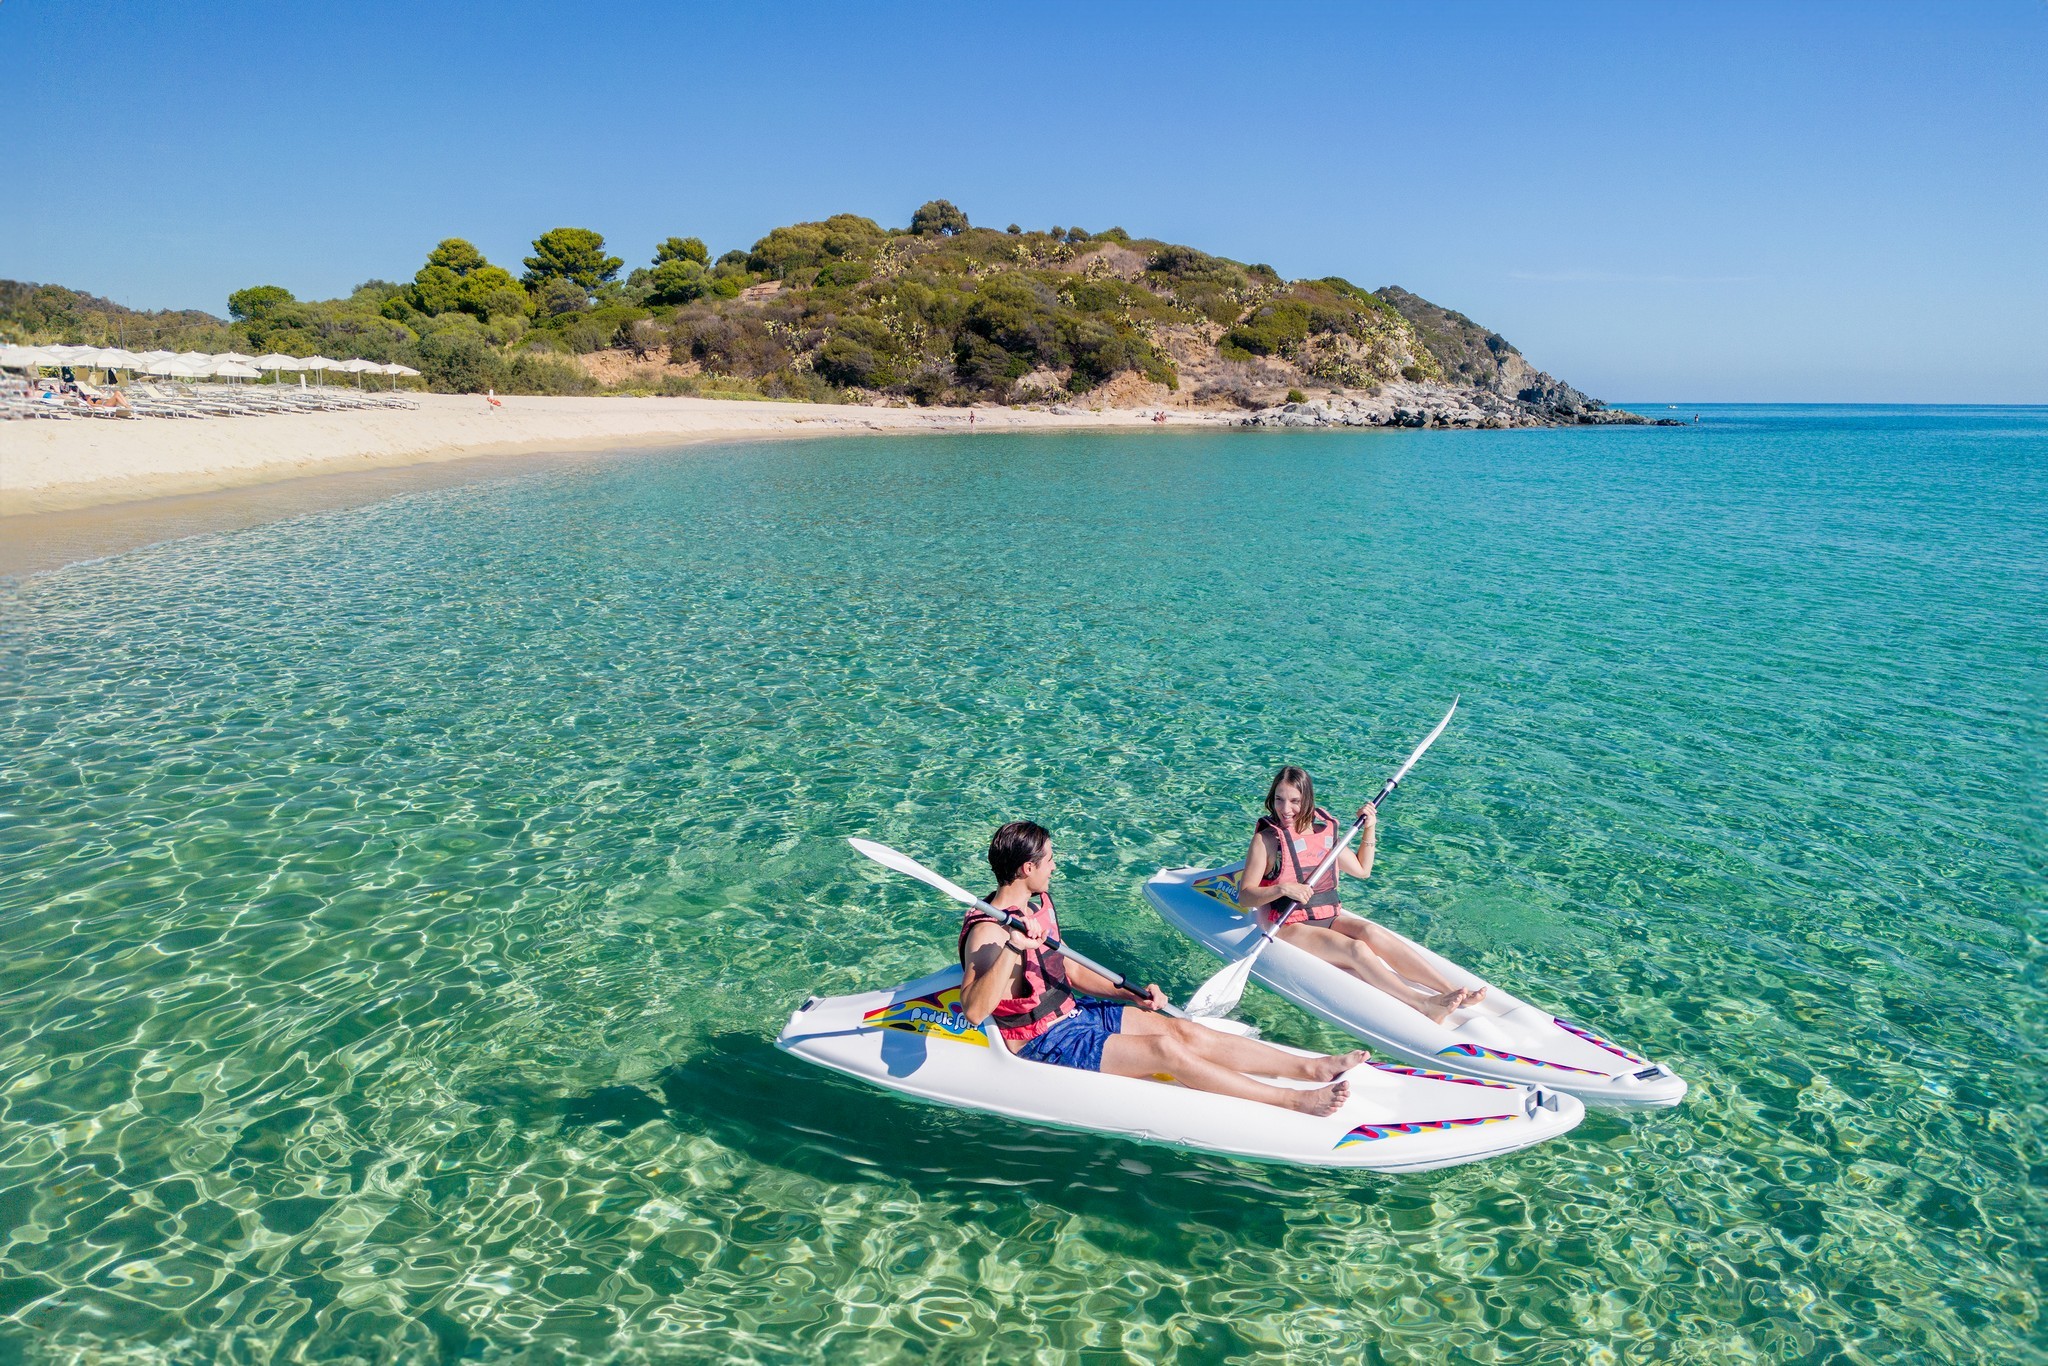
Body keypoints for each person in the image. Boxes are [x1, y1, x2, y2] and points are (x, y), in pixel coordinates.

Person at [959, 820, 1365, 1115]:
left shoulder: (1037, 905)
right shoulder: (990, 933)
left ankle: (1312, 1068)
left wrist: (1128, 993)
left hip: (1075, 1015)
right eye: (1048, 859)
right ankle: (1294, 1100)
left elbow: (1067, 971)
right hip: (1042, 1040)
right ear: (1027, 868)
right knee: (1164, 1050)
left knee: (1182, 1030)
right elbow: (975, 1009)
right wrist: (1014, 946)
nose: (1054, 866)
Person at [1238, 767, 1484, 1023]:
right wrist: (1282, 888)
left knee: (1372, 933)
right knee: (1356, 948)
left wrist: (1370, 827)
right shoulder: (1266, 840)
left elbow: (1362, 870)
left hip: (1327, 915)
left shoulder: (1323, 834)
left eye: (1294, 801)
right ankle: (1423, 1004)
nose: (1285, 809)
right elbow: (1245, 896)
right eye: (1279, 799)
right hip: (1290, 925)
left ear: (1307, 800)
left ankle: (1449, 989)